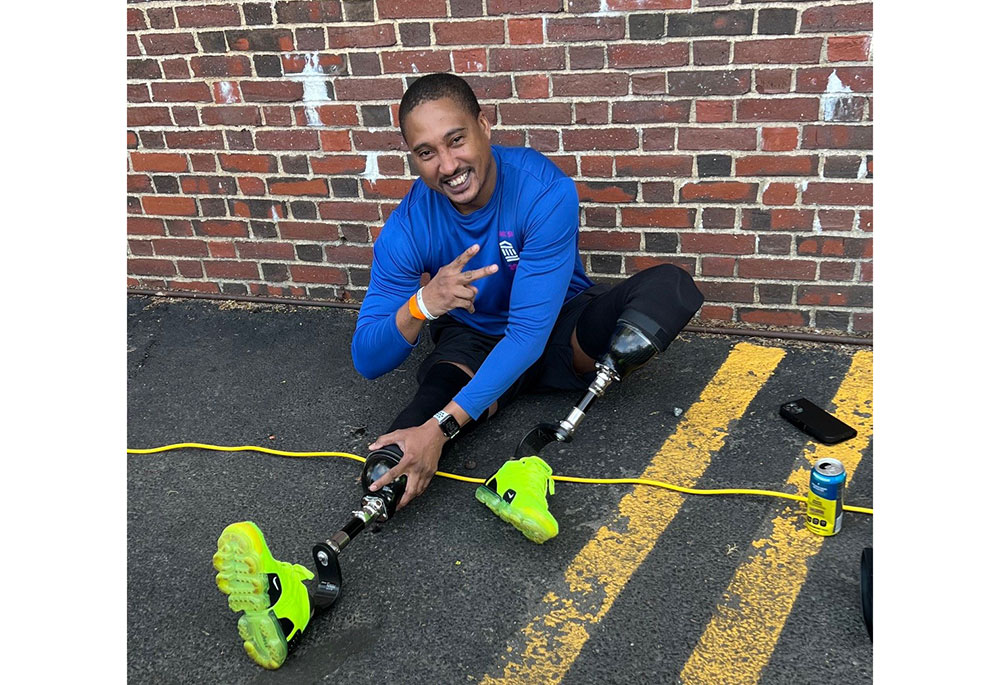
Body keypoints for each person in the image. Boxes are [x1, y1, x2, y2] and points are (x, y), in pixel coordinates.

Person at [213, 72, 704, 670]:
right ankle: (293, 591)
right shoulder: (408, 227)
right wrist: (423, 305)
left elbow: (526, 335)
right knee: (394, 454)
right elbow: (368, 358)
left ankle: (522, 465)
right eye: (426, 152)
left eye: (456, 140)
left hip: (553, 330)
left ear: (484, 127)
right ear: (412, 159)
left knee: (669, 288)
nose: (447, 164)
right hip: (470, 341)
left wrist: (443, 430)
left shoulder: (545, 192)